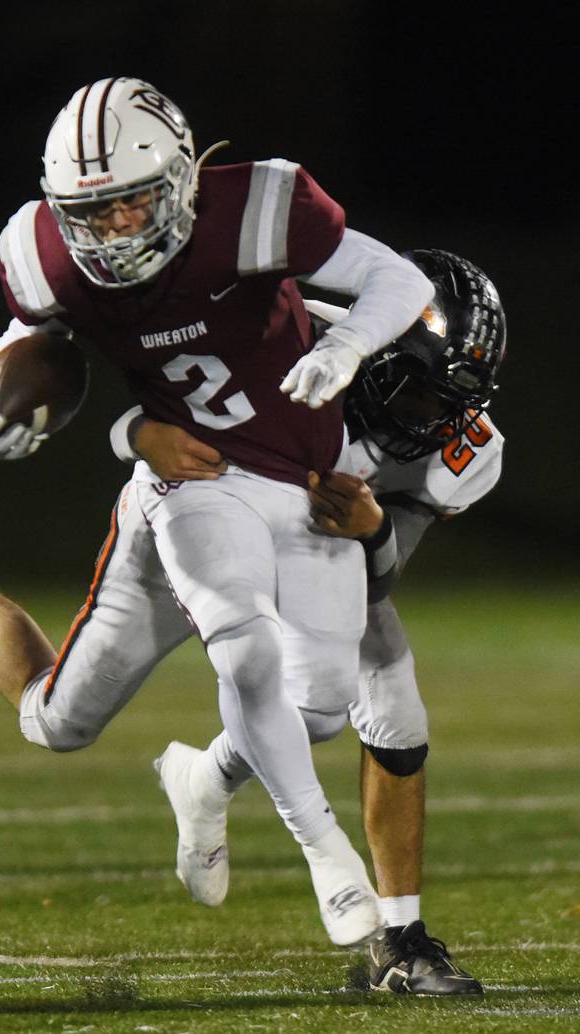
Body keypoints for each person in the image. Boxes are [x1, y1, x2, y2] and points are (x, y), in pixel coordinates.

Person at [0, 76, 436, 950]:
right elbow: (34, 344)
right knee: (56, 723)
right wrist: (4, 409)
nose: (114, 228)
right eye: (93, 212)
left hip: (293, 488)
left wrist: (348, 344)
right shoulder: (43, 254)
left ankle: (206, 780)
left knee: (316, 707)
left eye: (131, 204)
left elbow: (394, 278)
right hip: (184, 492)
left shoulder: (259, 209)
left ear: (179, 182)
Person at [111, 249, 506, 995]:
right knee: (74, 708)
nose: (436, 422)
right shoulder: (290, 345)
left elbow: (381, 577)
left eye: (453, 405)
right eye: (423, 398)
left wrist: (373, 529)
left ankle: (212, 780)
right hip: (215, 526)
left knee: (349, 703)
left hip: (333, 549)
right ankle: (401, 938)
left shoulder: (465, 450)